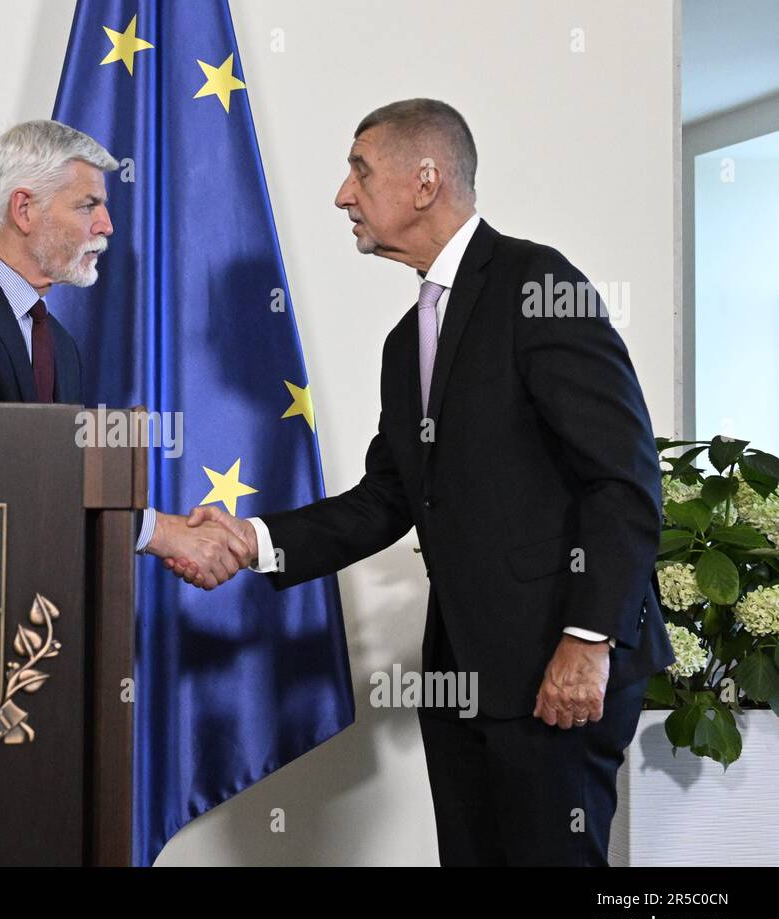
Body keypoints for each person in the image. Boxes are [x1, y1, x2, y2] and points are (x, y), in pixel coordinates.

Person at [159, 98, 674, 866]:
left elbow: (624, 479)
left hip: (556, 672)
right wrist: (252, 540)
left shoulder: (537, 286)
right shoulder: (409, 342)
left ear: (425, 181)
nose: (343, 194)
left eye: (360, 171)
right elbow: (387, 499)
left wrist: (586, 639)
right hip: (461, 682)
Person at [0, 119, 250, 580]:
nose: (107, 225)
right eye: (89, 206)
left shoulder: (59, 344)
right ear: (23, 209)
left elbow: (52, 473)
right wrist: (155, 530)